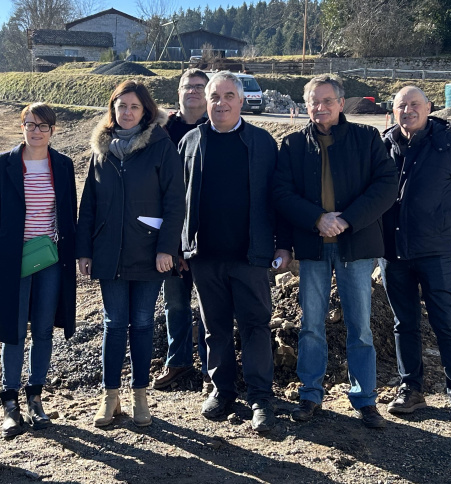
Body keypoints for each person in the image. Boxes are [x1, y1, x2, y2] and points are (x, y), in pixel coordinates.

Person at [273, 75, 398, 429]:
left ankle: (365, 399)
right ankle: (310, 394)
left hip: (355, 246)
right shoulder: (294, 144)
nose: (320, 107)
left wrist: (347, 220)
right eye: (314, 101)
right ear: (306, 104)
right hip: (313, 248)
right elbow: (281, 193)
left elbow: (386, 187)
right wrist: (317, 219)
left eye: (327, 101)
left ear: (341, 103)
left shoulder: (367, 138)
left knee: (360, 327)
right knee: (311, 325)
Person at [179, 71, 292, 433]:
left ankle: (260, 398)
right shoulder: (191, 142)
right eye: (215, 96)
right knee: (215, 329)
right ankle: (222, 389)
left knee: (255, 327)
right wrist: (180, 245)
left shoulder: (262, 143)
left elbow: (279, 199)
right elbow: (176, 201)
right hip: (205, 256)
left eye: (229, 96)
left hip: (251, 255)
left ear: (241, 101)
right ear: (206, 101)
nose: (221, 103)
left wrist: (283, 244)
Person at [380, 86, 451, 432]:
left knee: (446, 324)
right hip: (393, 252)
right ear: (393, 111)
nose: (408, 110)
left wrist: (447, 231)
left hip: (436, 254)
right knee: (404, 323)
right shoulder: (382, 147)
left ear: (429, 108)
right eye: (402, 106)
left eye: (415, 105)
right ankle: (411, 389)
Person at [76, 80, 185, 427]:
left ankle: (140, 396)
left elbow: (174, 203)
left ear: (146, 111)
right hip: (109, 253)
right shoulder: (101, 150)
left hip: (149, 253)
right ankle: (110, 398)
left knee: (140, 324)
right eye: (121, 106)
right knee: (113, 323)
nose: (127, 112)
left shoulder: (160, 146)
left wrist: (167, 247)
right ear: (113, 109)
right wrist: (84, 250)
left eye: (134, 107)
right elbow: (88, 205)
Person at [0, 102, 77, 438]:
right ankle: (10, 404)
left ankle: (36, 398)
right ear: (22, 127)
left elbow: (68, 216)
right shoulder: (3, 164)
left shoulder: (62, 166)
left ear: (52, 131)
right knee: (14, 331)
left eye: (43, 126)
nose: (36, 131)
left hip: (49, 260)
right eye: (30, 124)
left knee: (44, 329)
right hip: (13, 263)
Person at [153, 68, 210, 391]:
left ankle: (209, 366)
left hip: (204, 236)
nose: (193, 91)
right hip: (170, 234)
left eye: (200, 86)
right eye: (188, 86)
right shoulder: (164, 131)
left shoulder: (216, 128)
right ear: (178, 92)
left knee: (207, 304)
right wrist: (173, 244)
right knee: (174, 303)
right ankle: (178, 362)